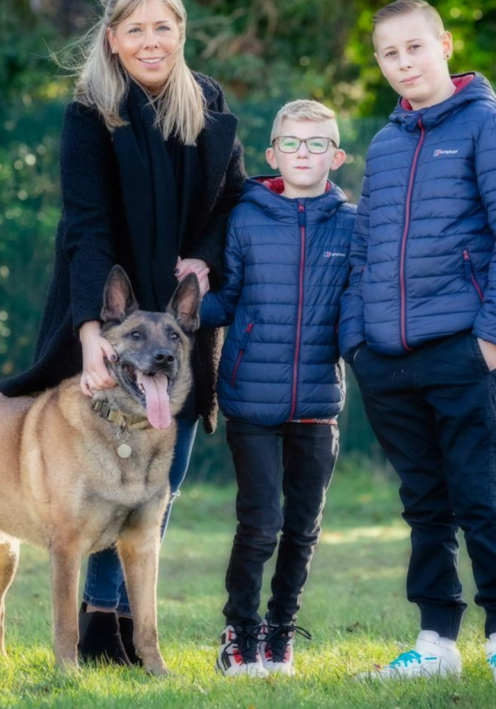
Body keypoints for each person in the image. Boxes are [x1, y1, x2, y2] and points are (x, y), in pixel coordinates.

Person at [0, 0, 245, 666]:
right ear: (112, 39)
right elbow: (88, 224)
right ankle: (99, 621)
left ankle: (135, 627)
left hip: (181, 322)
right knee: (103, 472)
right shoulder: (89, 112)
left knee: (160, 476)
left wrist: (204, 260)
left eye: (162, 26)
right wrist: (88, 333)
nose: (150, 41)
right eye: (134, 29)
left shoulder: (211, 103)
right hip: (113, 316)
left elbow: (233, 199)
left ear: (181, 32)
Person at [339, 0, 496, 683]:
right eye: (389, 53)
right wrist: (357, 343)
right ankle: (436, 642)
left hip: (464, 350)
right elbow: (364, 249)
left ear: (445, 45)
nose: (404, 63)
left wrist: (492, 340)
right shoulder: (387, 142)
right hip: (387, 362)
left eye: (415, 48)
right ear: (379, 63)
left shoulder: (491, 125)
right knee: (424, 506)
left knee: (477, 496)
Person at [200, 100, 354, 678]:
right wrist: (184, 303)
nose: (303, 154)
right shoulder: (246, 216)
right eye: (291, 143)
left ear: (336, 156)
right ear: (272, 154)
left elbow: (357, 311)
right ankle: (239, 636)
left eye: (317, 144)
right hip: (250, 403)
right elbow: (229, 299)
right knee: (260, 523)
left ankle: (280, 634)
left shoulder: (352, 224)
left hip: (316, 406)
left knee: (302, 528)